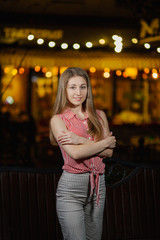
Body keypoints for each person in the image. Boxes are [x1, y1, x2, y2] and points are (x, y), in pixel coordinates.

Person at [49, 67, 116, 240]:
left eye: (83, 87)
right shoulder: (58, 120)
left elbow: (108, 152)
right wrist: (102, 143)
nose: (78, 92)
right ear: (64, 89)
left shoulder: (100, 116)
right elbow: (75, 154)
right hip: (71, 187)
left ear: (88, 89)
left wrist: (82, 140)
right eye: (72, 87)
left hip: (98, 184)